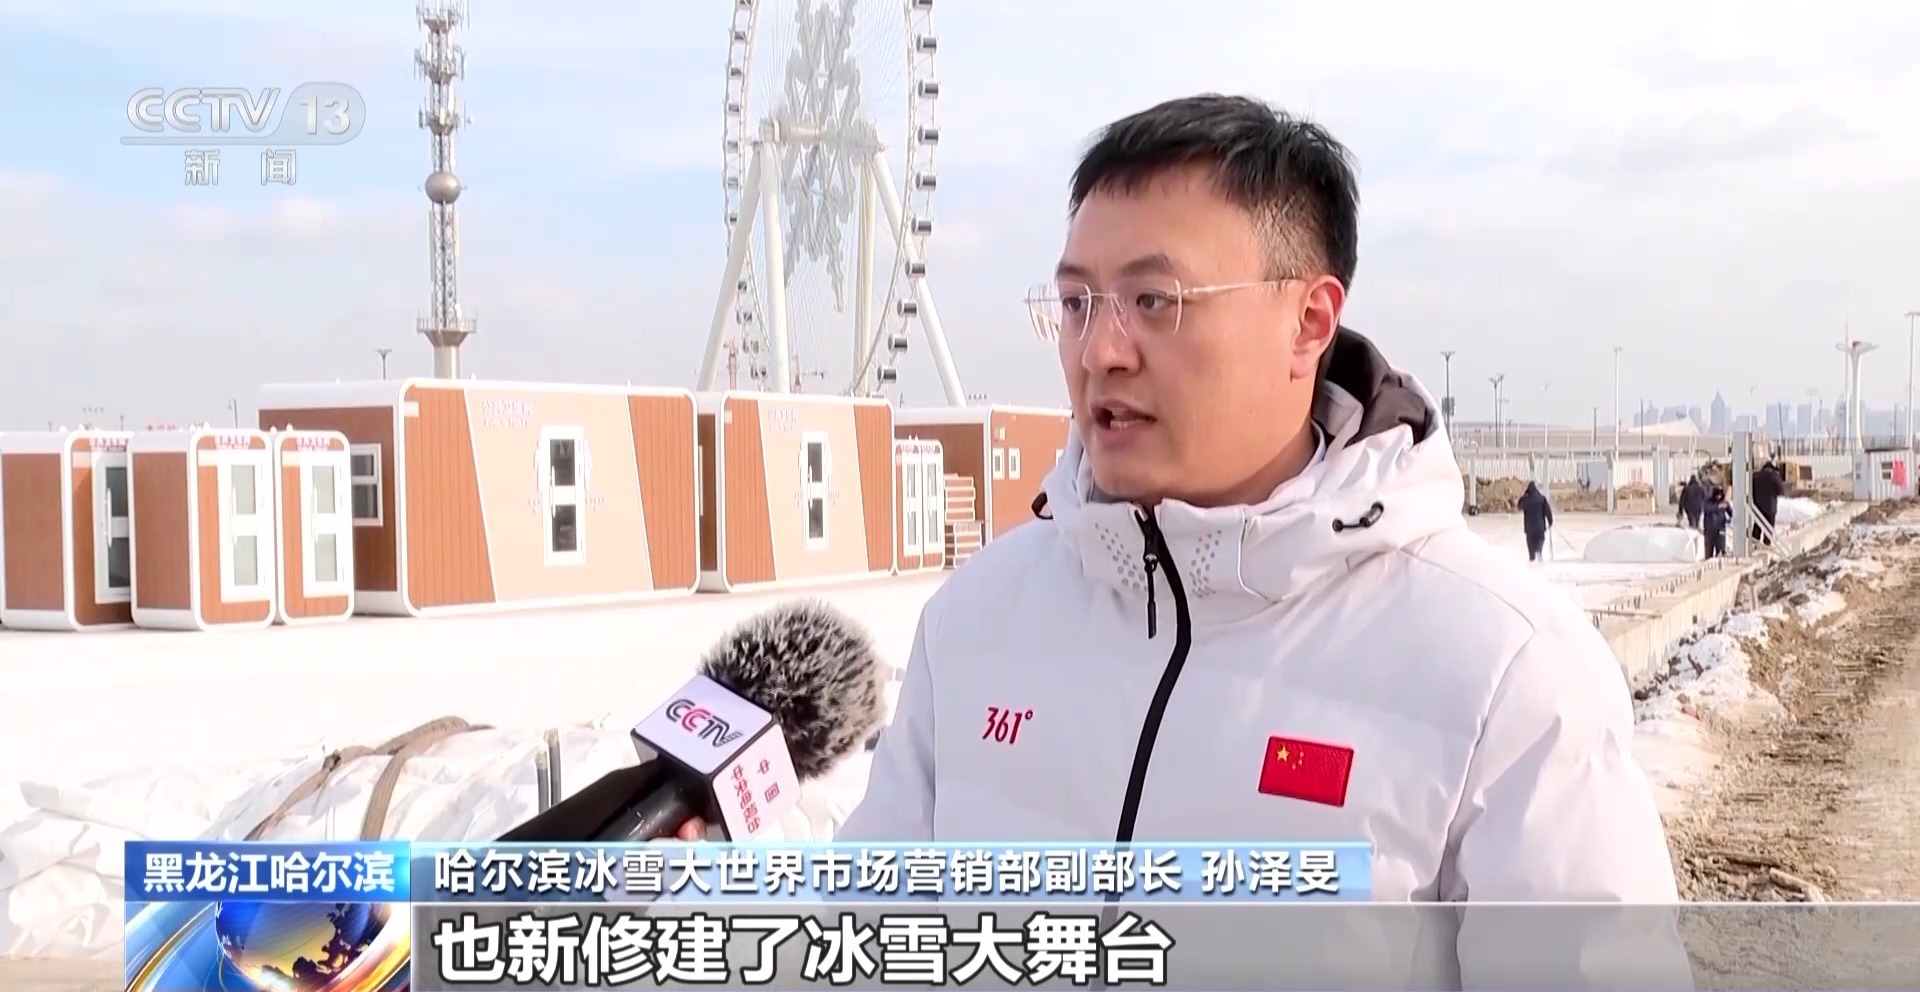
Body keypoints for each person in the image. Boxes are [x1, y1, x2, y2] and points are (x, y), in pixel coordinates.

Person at [678, 95, 1685, 985]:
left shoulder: (1504, 669)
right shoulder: (977, 620)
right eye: (1076, 302)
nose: (1101, 349)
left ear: (1309, 320)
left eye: (1154, 301)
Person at [1517, 480, 1554, 562]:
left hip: (1529, 528)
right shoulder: (1542, 499)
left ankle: (1532, 558)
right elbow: (1548, 511)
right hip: (1540, 527)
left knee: (1530, 544)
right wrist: (1550, 521)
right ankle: (1539, 551)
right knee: (1540, 540)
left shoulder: (1526, 500)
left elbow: (1519, 506)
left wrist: (1523, 496)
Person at [1750, 460, 1785, 545]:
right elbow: (1781, 491)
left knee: (1757, 526)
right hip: (1770, 508)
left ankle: (1754, 543)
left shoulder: (1756, 476)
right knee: (1768, 528)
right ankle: (1766, 544)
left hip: (1757, 507)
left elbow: (1750, 490)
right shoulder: (1775, 477)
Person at [1702, 486, 1731, 559]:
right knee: (1709, 551)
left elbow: (1731, 513)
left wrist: (1729, 520)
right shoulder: (1708, 501)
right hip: (1709, 528)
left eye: (1720, 495)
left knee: (1721, 548)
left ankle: (1720, 558)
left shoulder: (1724, 502)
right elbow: (1707, 509)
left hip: (1720, 528)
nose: (1718, 497)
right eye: (1717, 495)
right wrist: (1718, 507)